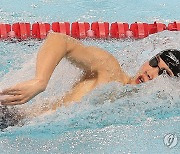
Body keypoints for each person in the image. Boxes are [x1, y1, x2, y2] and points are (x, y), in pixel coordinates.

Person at [0, 32, 179, 117]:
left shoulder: (137, 111)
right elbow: (59, 40)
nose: (151, 72)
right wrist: (40, 80)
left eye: (163, 73)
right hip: (13, 116)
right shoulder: (110, 70)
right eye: (155, 62)